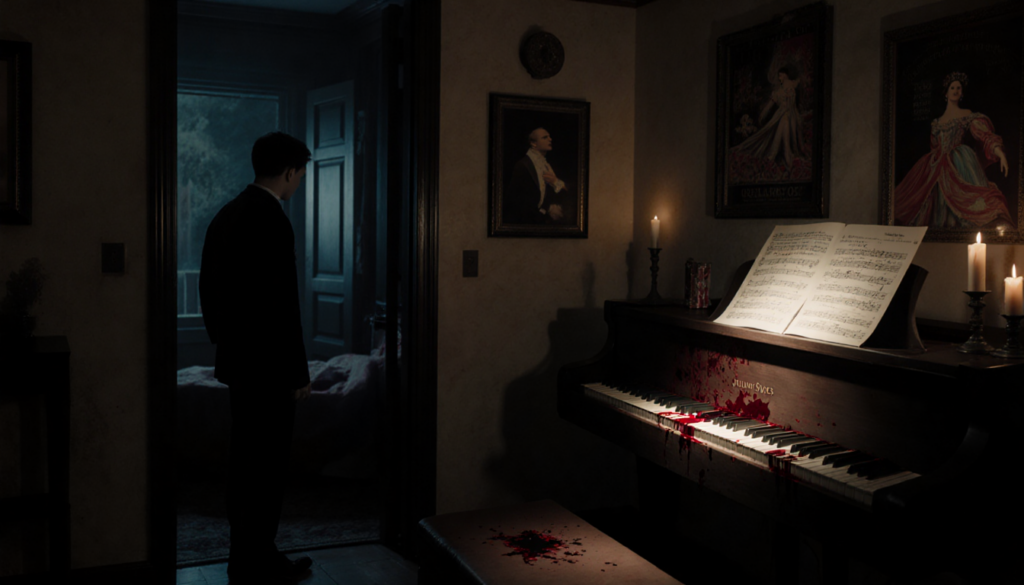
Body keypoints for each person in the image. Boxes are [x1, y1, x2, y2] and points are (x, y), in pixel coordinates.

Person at [199, 131, 313, 583]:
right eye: (300, 175)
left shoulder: (226, 215)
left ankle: (242, 558)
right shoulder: (272, 219)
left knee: (244, 464)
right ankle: (261, 560)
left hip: (240, 366)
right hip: (269, 370)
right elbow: (283, 306)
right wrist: (298, 372)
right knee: (266, 469)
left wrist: (226, 343)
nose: (298, 182)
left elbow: (209, 291)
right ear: (289, 172)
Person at [894, 71, 1013, 228]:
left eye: (959, 88)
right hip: (935, 166)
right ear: (946, 92)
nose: (956, 91)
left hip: (961, 163)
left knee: (969, 204)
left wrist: (1000, 153)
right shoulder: (937, 123)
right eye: (953, 88)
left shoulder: (967, 115)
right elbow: (935, 146)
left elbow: (985, 136)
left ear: (962, 93)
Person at [729, 65, 806, 171]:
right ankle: (782, 162)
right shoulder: (782, 90)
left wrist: (763, 115)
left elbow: (771, 106)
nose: (779, 78)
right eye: (779, 76)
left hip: (788, 116)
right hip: (784, 116)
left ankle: (784, 162)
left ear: (785, 75)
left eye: (780, 76)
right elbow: (770, 106)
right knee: (783, 142)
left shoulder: (786, 87)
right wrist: (762, 115)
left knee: (785, 143)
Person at [504, 127, 574, 225]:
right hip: (525, 222)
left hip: (543, 221)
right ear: (533, 143)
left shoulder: (547, 165)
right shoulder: (522, 165)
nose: (550, 139)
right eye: (545, 137)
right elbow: (516, 199)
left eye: (549, 137)